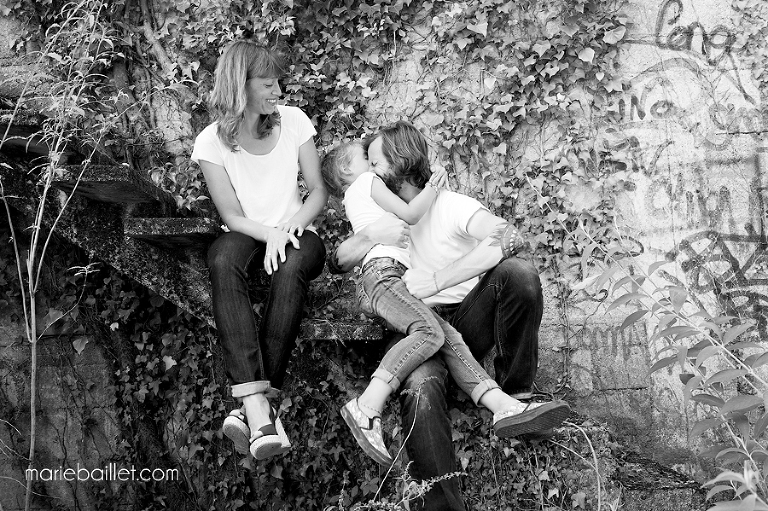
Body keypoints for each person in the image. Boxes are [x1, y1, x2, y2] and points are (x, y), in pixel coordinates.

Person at [331, 121, 569, 510]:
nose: (371, 172)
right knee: (422, 384)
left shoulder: (450, 205)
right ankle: (440, 505)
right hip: (414, 326)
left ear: (400, 160)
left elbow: (506, 238)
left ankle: (516, 397)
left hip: (463, 319)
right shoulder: (384, 218)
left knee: (519, 273)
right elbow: (340, 259)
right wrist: (376, 236)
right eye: (368, 164)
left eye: (376, 162)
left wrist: (436, 280)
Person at [190, 40, 328, 460]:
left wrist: (290, 227)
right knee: (222, 256)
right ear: (240, 85)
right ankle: (258, 406)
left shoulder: (294, 122)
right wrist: (267, 234)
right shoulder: (211, 143)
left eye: (277, 83)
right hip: (248, 232)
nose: (278, 91)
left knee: (292, 266)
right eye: (268, 83)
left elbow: (318, 193)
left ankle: (253, 406)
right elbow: (231, 216)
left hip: (298, 231)